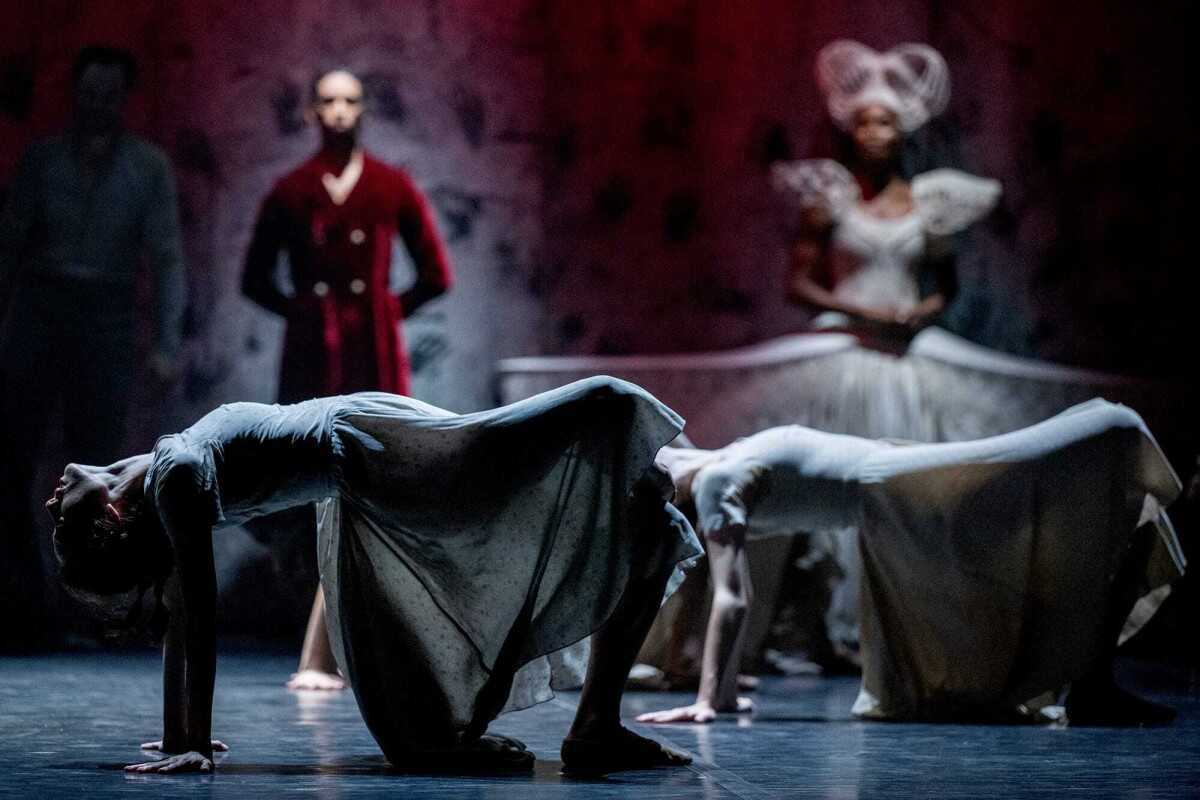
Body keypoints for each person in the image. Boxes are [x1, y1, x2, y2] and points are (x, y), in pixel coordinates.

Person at [47, 376, 700, 774]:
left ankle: (597, 724)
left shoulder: (152, 474)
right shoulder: (174, 483)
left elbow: (182, 614)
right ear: (108, 519)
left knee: (636, 499)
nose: (51, 501)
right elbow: (191, 618)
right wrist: (184, 740)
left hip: (367, 440)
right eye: (60, 518)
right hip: (370, 460)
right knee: (620, 480)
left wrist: (183, 736)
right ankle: (595, 726)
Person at [638, 399, 1183, 726]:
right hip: (902, 493)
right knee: (1110, 436)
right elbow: (731, 593)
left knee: (1111, 435)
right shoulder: (725, 470)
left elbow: (733, 596)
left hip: (904, 485)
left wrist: (711, 700)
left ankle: (1092, 682)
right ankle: (1092, 683)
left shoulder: (719, 476)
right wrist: (717, 695)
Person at [241, 67, 454, 689]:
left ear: (364, 110)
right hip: (312, 351)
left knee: (375, 468)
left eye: (350, 100)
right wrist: (305, 314)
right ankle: (308, 623)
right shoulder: (290, 190)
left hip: (372, 351)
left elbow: (436, 274)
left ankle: (373, 625)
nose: (339, 111)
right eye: (328, 101)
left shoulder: (391, 185)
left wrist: (384, 312)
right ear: (312, 112)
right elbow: (255, 279)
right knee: (303, 468)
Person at [0, 46, 185, 647]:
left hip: (106, 313)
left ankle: (95, 606)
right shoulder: (43, 159)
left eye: (109, 92)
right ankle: (24, 602)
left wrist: (166, 342)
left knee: (100, 465)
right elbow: (9, 245)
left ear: (123, 98)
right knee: (12, 456)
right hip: (40, 307)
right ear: (74, 94)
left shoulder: (147, 166)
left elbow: (166, 257)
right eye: (88, 91)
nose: (97, 103)